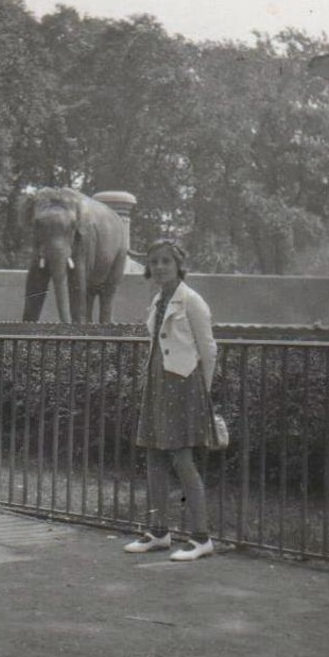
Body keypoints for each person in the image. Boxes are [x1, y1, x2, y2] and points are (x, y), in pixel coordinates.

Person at [124, 240, 218, 562]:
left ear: (178, 264)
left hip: (183, 386)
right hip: (158, 385)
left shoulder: (192, 301)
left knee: (182, 458)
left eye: (166, 261)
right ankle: (159, 531)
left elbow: (208, 350)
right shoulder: (157, 300)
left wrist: (200, 393)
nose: (160, 267)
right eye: (154, 262)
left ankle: (201, 537)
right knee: (153, 455)